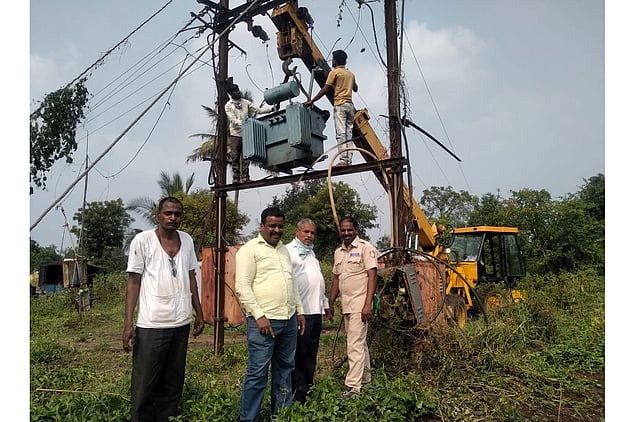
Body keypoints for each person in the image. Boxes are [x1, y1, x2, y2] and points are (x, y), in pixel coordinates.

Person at [123, 196, 205, 422]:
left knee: (173, 382)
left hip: (181, 322)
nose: (172, 218)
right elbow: (133, 283)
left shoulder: (186, 240)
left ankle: (166, 418)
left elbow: (191, 277)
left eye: (177, 214)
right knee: (145, 383)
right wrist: (128, 324)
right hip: (152, 324)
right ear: (158, 215)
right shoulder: (143, 241)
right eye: (168, 213)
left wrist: (199, 312)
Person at [235, 207, 306, 421]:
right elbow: (242, 286)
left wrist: (300, 311)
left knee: (285, 370)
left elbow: (292, 284)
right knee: (257, 373)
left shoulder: (284, 250)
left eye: (280, 226)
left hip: (288, 320)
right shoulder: (249, 250)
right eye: (272, 226)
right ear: (262, 226)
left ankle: (281, 416)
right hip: (264, 323)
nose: (277, 230)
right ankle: (249, 419)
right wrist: (259, 315)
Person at [328, 216, 379, 399]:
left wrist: (367, 304)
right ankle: (365, 382)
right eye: (343, 230)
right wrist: (330, 303)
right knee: (360, 345)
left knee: (354, 345)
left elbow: (372, 276)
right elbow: (336, 279)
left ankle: (353, 388)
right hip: (347, 306)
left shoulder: (366, 248)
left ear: (356, 230)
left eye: (349, 229)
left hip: (360, 305)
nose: (346, 233)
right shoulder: (338, 252)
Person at [285, 219, 331, 403]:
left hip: (315, 311)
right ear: (297, 232)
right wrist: (296, 311)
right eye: (306, 232)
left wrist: (325, 304)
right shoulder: (288, 252)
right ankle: (297, 394)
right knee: (299, 354)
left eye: (312, 233)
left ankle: (307, 390)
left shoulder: (311, 253)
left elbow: (318, 281)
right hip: (301, 313)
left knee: (311, 353)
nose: (310, 236)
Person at [304, 49, 358, 167]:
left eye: (333, 59)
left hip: (340, 105)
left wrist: (312, 101)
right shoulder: (350, 74)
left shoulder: (334, 73)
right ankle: (349, 160)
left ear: (335, 61)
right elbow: (355, 88)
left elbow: (325, 89)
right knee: (349, 134)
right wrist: (348, 80)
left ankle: (343, 160)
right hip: (350, 106)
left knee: (341, 133)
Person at [224, 83, 274, 183]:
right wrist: (245, 123)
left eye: (238, 90)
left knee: (246, 156)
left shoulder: (245, 102)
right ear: (231, 94)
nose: (238, 92)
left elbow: (258, 110)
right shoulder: (228, 106)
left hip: (246, 133)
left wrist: (270, 109)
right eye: (236, 91)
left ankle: (245, 177)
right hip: (235, 134)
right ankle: (236, 177)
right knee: (235, 156)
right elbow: (233, 120)